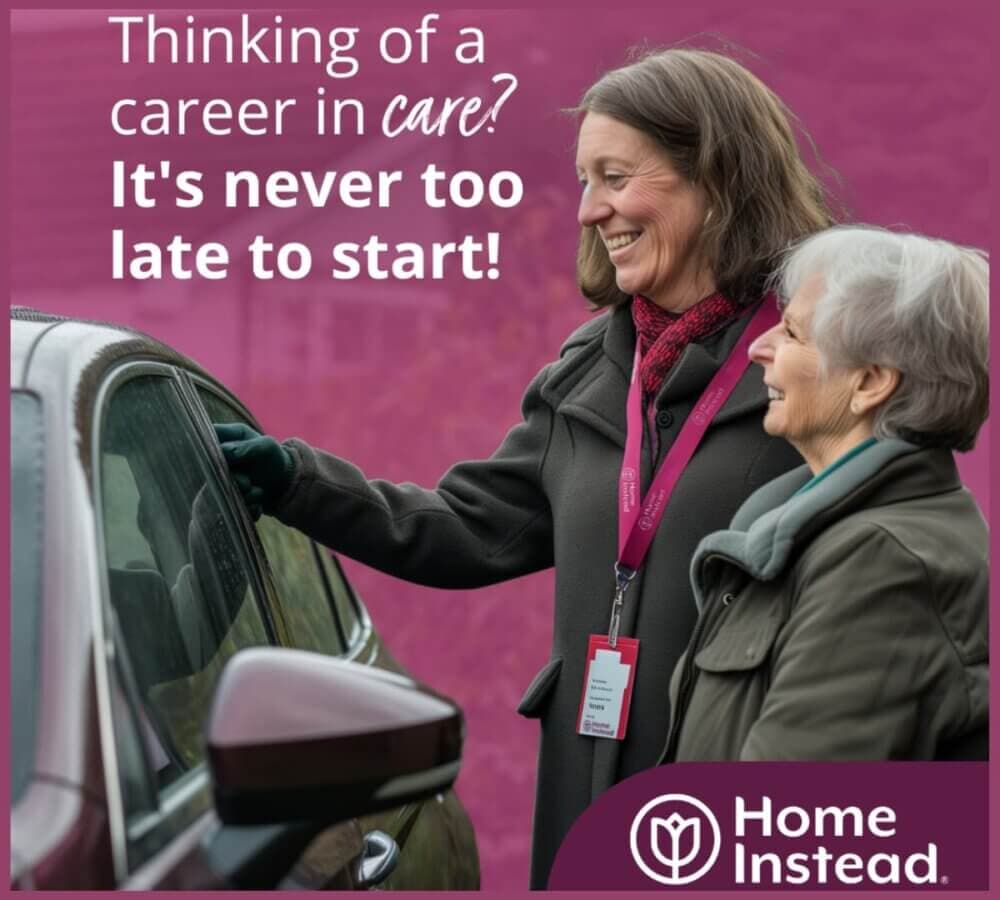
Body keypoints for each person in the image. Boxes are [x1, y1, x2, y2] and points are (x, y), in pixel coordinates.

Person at [215, 48, 836, 887]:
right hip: (588, 811)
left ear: (714, 178)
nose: (589, 211)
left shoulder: (820, 368)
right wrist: (295, 482)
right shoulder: (589, 370)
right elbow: (468, 529)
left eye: (615, 176)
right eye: (585, 181)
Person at [662, 225, 989, 763]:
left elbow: (786, 819)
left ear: (869, 383)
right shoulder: (813, 537)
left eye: (791, 333)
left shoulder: (881, 560)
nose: (759, 348)